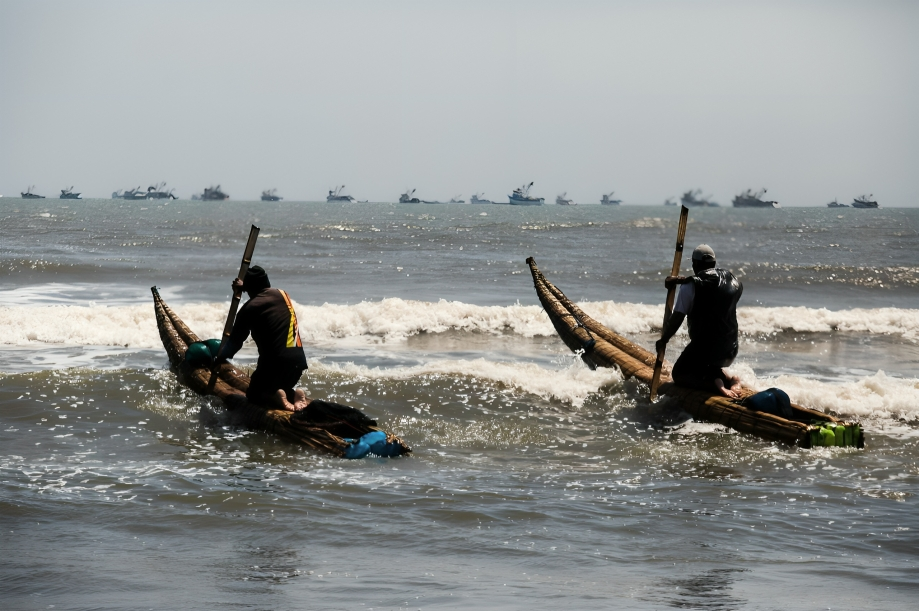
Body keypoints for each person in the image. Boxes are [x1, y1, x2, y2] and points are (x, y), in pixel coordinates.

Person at [655, 244, 744, 398]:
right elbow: (711, 284)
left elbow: (676, 319)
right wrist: (679, 281)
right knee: (707, 367)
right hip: (730, 349)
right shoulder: (734, 281)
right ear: (714, 264)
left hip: (705, 350)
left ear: (694, 265)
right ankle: (732, 380)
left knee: (680, 374)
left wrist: (663, 340)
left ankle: (715, 386)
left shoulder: (690, 287)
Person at [218, 265, 309, 411]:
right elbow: (260, 292)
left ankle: (276, 396)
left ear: (249, 288)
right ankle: (294, 395)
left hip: (275, 366)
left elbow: (233, 346)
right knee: (280, 385)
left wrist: (217, 357)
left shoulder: (249, 309)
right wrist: (245, 286)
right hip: (297, 365)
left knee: (254, 394)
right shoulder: (283, 294)